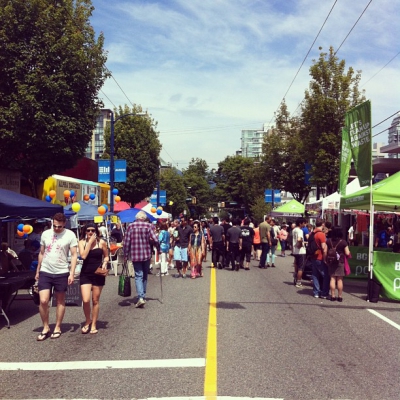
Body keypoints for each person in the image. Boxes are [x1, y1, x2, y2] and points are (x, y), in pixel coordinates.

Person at [35, 213, 78, 341]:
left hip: (61, 271)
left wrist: (72, 272)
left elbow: (74, 255)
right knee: (43, 300)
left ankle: (57, 327)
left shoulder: (70, 235)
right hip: (46, 270)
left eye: (59, 226)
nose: (57, 228)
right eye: (54, 226)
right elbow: (41, 253)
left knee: (60, 300)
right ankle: (46, 327)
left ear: (64, 224)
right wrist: (38, 270)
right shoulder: (45, 234)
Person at [123, 211, 160, 308]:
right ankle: (142, 295)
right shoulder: (149, 226)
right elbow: (156, 239)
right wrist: (158, 247)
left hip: (135, 254)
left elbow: (126, 242)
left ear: (137, 217)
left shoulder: (131, 226)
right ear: (144, 218)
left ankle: (140, 297)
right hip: (146, 254)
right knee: (144, 275)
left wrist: (125, 255)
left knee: (138, 275)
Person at [78, 223, 109, 334]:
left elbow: (106, 256)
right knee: (86, 300)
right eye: (88, 230)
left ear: (96, 231)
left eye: (92, 230)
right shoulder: (82, 242)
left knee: (95, 300)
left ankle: (94, 324)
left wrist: (105, 262)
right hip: (85, 273)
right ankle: (88, 320)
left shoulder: (102, 243)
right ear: (85, 232)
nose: (90, 232)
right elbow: (83, 256)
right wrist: (90, 243)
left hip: (98, 273)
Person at [327, 227, 351, 302]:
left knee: (332, 278)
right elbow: (347, 253)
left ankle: (333, 296)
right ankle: (339, 296)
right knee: (340, 279)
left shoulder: (329, 241)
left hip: (331, 261)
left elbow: (325, 250)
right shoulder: (343, 242)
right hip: (340, 261)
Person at [311, 219, 330, 299]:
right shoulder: (321, 234)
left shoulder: (313, 233)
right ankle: (324, 293)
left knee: (315, 275)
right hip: (320, 257)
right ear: (322, 224)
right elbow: (323, 247)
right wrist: (325, 259)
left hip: (314, 256)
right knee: (325, 275)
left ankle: (316, 292)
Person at [292, 217, 307, 287]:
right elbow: (299, 239)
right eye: (304, 223)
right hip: (301, 251)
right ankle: (298, 282)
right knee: (301, 267)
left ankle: (295, 278)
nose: (304, 224)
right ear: (300, 223)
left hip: (295, 251)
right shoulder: (300, 231)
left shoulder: (294, 230)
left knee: (296, 265)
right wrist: (300, 245)